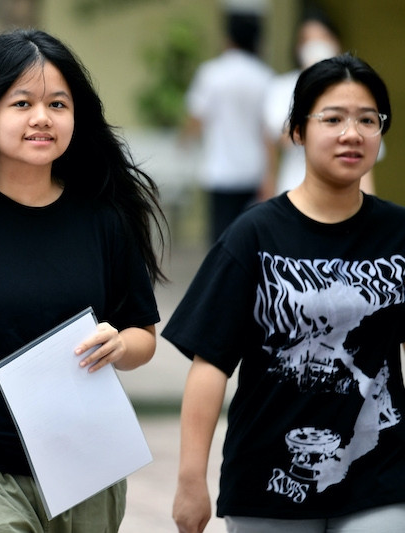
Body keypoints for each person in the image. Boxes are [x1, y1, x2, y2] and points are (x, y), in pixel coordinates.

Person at [0, 29, 165, 532]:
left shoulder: (105, 216)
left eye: (57, 104)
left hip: (88, 464)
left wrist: (119, 345)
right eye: (22, 103)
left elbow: (142, 337)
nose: (42, 117)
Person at [163, 53, 405, 533]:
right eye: (332, 119)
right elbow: (210, 363)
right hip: (268, 481)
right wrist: (191, 481)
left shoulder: (397, 233)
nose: (352, 133)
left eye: (367, 120)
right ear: (297, 131)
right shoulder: (253, 235)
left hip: (379, 474)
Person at [259, 10, 378, 198]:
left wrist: (369, 200)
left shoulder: (357, 89)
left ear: (336, 42)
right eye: (307, 40)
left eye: (322, 38)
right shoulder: (282, 88)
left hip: (345, 196)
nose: (315, 45)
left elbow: (365, 152)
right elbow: (279, 137)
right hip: (293, 186)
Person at [182, 11, 274, 244]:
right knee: (250, 239)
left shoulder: (212, 73)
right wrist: (270, 174)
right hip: (253, 169)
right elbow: (268, 130)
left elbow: (196, 117)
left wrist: (184, 141)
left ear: (228, 38)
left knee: (220, 240)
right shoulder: (265, 76)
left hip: (219, 169)